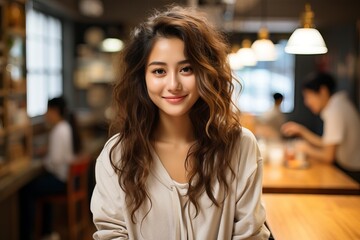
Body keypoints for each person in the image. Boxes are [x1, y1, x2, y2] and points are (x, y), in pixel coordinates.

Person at [90, 6, 270, 239]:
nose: (173, 84)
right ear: (142, 78)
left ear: (206, 72)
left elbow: (251, 234)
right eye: (159, 71)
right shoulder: (117, 155)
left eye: (186, 69)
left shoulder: (240, 146)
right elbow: (111, 234)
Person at [20, 96, 82, 240]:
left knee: (28, 190)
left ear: (54, 111)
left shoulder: (58, 131)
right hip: (69, 179)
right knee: (41, 187)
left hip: (62, 180)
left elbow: (54, 162)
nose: (46, 114)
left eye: (47, 111)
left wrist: (43, 160)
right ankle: (46, 233)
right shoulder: (65, 127)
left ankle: (28, 234)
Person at [281, 72, 360, 182]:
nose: (307, 102)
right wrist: (301, 131)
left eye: (308, 96)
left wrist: (306, 148)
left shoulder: (334, 110)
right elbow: (327, 144)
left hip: (351, 174)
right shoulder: (338, 104)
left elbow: (328, 157)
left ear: (323, 91)